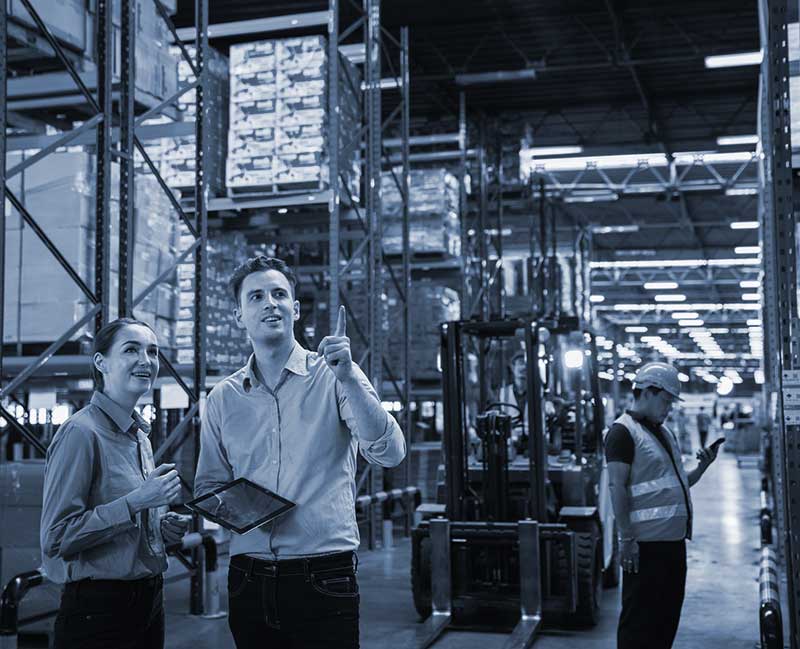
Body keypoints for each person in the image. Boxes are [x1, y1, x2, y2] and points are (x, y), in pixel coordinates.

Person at [195, 256, 406, 649]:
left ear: (294, 309)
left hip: (323, 577)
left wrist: (349, 378)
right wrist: (250, 512)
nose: (269, 303)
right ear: (240, 316)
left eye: (279, 294)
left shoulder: (335, 375)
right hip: (248, 577)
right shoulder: (223, 398)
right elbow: (209, 482)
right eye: (255, 296)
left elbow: (391, 452)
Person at [40, 317, 191, 649]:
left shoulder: (139, 437)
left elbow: (126, 521)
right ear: (101, 362)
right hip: (99, 610)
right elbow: (55, 537)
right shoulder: (81, 433)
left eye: (152, 352)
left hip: (149, 599)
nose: (146, 361)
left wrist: (160, 526)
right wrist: (137, 502)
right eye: (131, 350)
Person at [604, 362, 719, 649]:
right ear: (647, 392)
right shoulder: (622, 433)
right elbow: (616, 487)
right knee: (638, 625)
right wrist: (626, 539)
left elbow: (675, 485)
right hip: (644, 548)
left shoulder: (663, 433)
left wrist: (702, 468)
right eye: (666, 400)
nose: (668, 408)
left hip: (672, 545)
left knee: (664, 622)